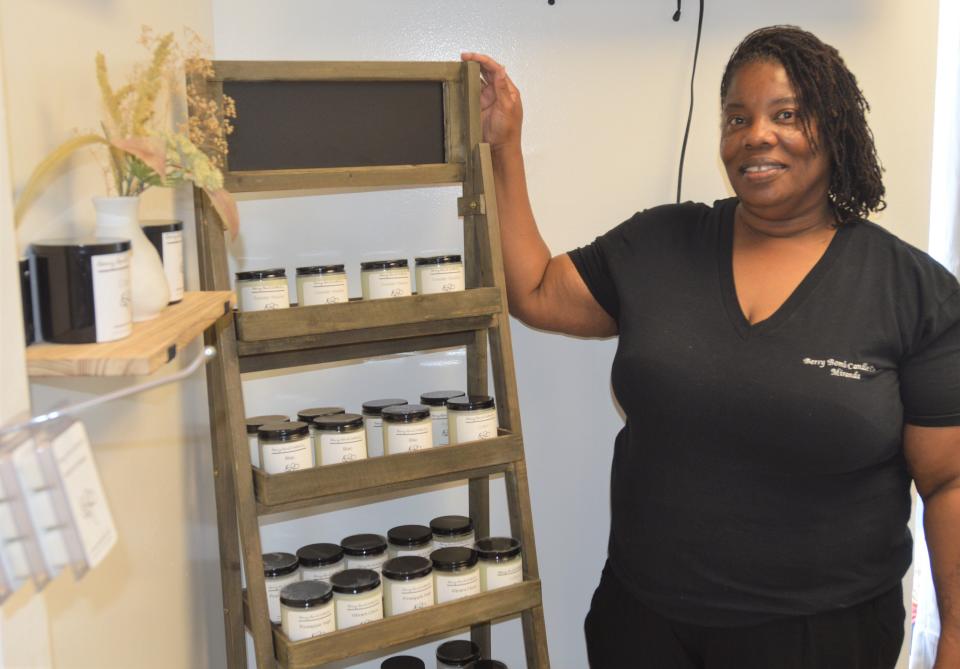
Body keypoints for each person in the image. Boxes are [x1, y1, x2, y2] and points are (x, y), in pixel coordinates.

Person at [462, 25, 960, 669]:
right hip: (644, 624)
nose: (756, 135)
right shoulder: (663, 242)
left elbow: (948, 482)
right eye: (737, 117)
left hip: (823, 636)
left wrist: (953, 643)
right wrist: (505, 146)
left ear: (835, 128)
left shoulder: (912, 290)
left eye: (787, 114)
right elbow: (533, 290)